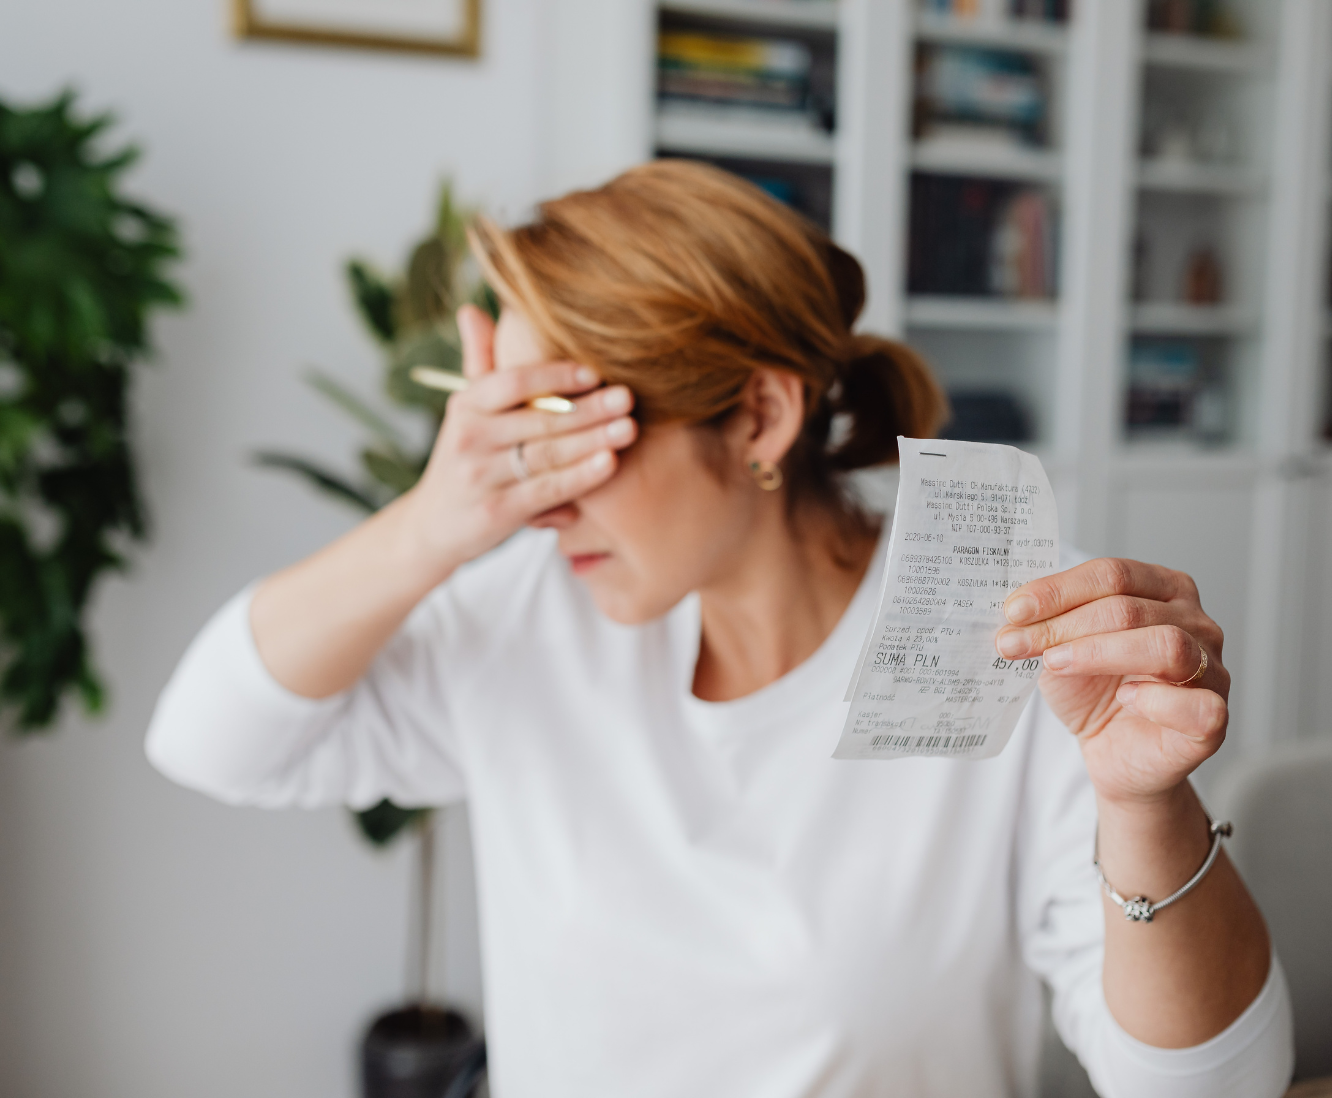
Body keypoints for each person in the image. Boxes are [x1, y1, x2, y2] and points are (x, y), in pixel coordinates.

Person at [146, 161, 1292, 1098]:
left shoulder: (1003, 638)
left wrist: (1147, 807)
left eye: (569, 432)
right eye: (516, 444)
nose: (541, 502)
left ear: (758, 414)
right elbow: (208, 743)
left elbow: (1213, 1089)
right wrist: (433, 524)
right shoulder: (529, 616)